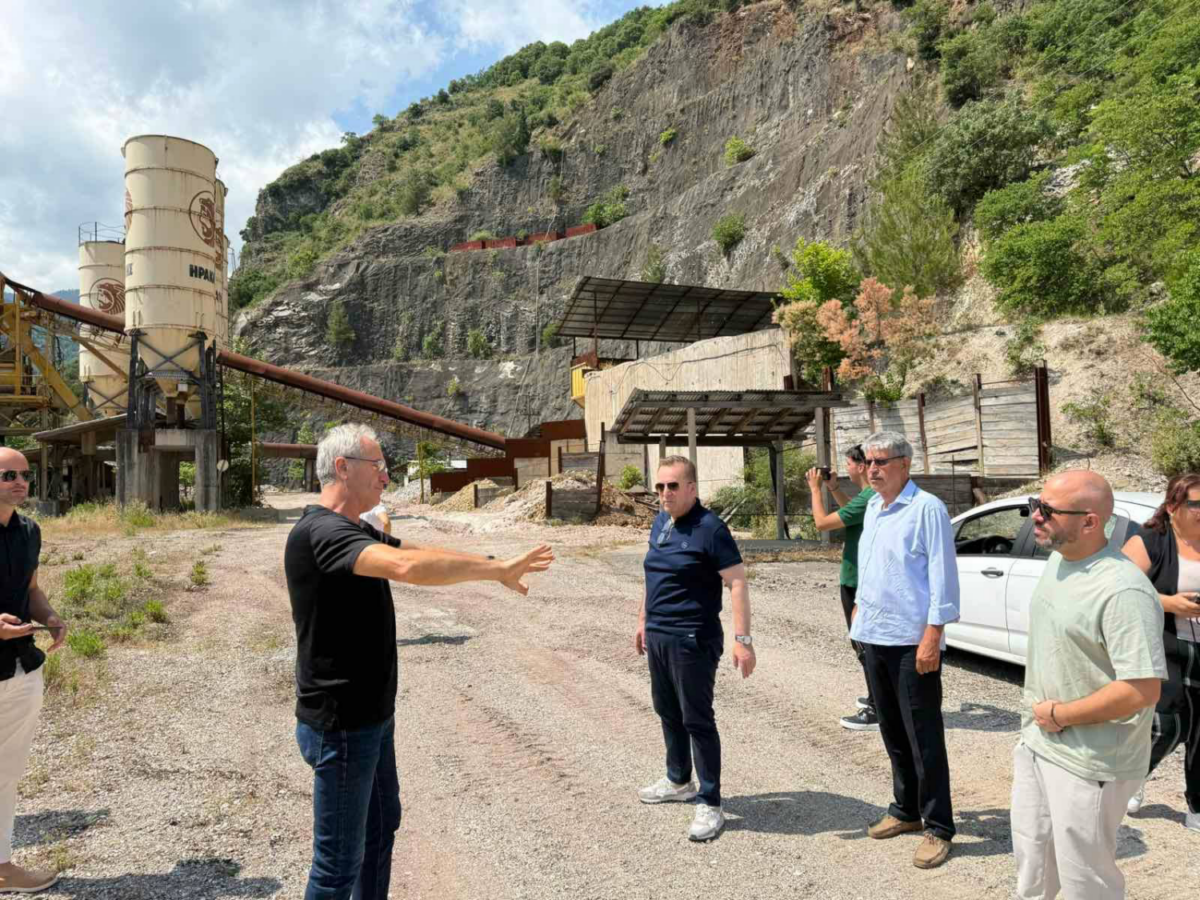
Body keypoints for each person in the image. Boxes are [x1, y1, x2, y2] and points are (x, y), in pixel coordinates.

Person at [285, 424, 554, 900]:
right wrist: (496, 570)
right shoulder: (320, 531)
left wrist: (492, 563)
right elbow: (407, 568)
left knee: (380, 829)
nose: (386, 477)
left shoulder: (353, 529)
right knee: (336, 868)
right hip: (341, 724)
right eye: (378, 466)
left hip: (370, 717)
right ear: (343, 468)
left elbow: (413, 550)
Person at [1012, 471, 1166, 900]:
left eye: (1048, 510)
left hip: (1090, 761)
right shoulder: (1060, 560)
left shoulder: (1124, 591)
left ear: (1090, 522)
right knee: (1033, 865)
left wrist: (1059, 714)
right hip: (1038, 742)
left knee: (1087, 883)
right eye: (1036, 504)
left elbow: (1141, 690)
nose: (1035, 516)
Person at [849, 431, 959, 869]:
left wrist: (933, 634)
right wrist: (859, 607)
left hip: (913, 641)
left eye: (881, 461)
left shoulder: (927, 509)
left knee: (923, 736)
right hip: (875, 633)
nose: (872, 469)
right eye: (868, 461)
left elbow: (942, 575)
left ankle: (939, 826)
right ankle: (906, 809)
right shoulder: (874, 507)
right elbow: (874, 565)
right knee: (893, 730)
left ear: (905, 464)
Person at [635, 455, 754, 842]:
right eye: (660, 486)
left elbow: (737, 582)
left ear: (691, 488)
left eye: (673, 486)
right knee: (667, 710)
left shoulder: (710, 528)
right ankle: (678, 780)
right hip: (659, 633)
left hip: (693, 637)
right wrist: (643, 620)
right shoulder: (661, 522)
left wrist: (743, 640)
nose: (665, 493)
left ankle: (710, 802)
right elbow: (653, 575)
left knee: (696, 719)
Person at [0, 448, 66, 895]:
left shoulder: (29, 531)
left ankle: (2, 866)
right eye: (8, 475)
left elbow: (32, 589)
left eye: (25, 475)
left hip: (20, 668)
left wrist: (50, 617)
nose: (20, 482)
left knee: (6, 772)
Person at [1120, 471, 1200, 830]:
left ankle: (1197, 806)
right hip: (1164, 646)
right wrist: (1169, 603)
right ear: (1172, 507)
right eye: (1196, 504)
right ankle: (1134, 775)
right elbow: (1119, 588)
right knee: (1165, 725)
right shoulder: (1151, 540)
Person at [806, 444, 877, 731]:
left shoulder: (869, 497)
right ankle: (876, 696)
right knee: (865, 642)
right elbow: (851, 512)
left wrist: (815, 490)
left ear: (861, 466)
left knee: (863, 643)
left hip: (857, 580)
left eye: (848, 464)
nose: (845, 469)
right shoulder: (869, 497)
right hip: (857, 577)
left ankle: (877, 707)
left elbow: (822, 523)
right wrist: (834, 488)